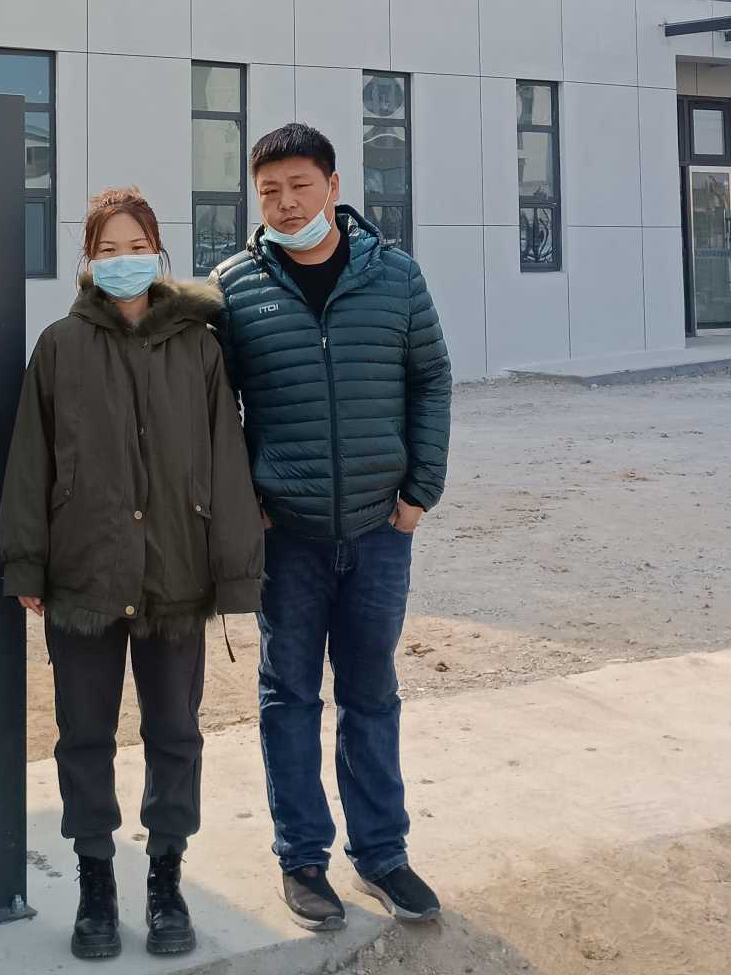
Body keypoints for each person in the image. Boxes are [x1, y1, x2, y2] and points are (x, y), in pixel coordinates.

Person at [0, 187, 263, 960]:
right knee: (84, 735)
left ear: (159, 252)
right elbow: (31, 461)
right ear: (88, 260)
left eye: (136, 247)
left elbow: (226, 458)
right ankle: (95, 884)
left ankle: (167, 878)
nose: (123, 261)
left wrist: (235, 572)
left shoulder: (200, 348)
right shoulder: (59, 347)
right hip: (83, 571)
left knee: (175, 731)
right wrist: (26, 560)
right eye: (107, 250)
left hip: (176, 572)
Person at [211, 123, 451, 932]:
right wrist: (245, 497)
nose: (285, 204)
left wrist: (420, 491)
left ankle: (382, 855)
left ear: (334, 187)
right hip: (289, 535)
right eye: (269, 191)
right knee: (288, 697)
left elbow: (432, 378)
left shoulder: (396, 276)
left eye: (299, 187)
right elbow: (215, 406)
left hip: (381, 528)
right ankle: (302, 860)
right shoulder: (235, 286)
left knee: (371, 693)